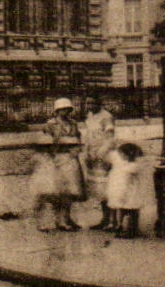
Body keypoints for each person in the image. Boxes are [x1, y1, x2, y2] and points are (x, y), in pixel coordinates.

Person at [29, 98, 85, 232]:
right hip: (57, 158)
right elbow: (45, 142)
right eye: (62, 109)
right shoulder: (50, 124)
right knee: (57, 191)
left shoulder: (73, 123)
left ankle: (66, 218)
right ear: (57, 111)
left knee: (70, 191)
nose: (65, 112)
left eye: (67, 109)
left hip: (71, 159)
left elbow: (78, 138)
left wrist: (76, 149)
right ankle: (58, 219)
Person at [81, 95, 118, 230]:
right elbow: (88, 136)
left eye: (92, 103)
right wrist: (87, 152)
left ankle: (113, 221)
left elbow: (110, 138)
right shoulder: (90, 117)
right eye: (87, 103)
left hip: (104, 154)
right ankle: (105, 219)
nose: (89, 106)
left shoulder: (106, 117)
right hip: (93, 155)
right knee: (99, 189)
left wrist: (102, 152)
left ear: (99, 103)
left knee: (108, 188)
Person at [105, 141, 146, 239]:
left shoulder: (131, 167)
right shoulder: (128, 165)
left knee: (129, 211)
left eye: (121, 154)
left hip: (128, 192)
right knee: (127, 210)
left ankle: (129, 230)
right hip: (128, 192)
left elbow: (125, 181)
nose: (120, 156)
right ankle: (125, 228)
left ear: (126, 155)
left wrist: (120, 193)